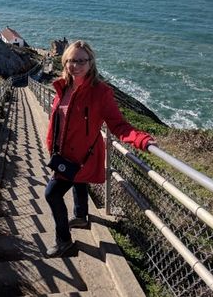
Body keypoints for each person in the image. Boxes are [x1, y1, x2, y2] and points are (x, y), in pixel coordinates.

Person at [44, 40, 157, 258]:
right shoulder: (63, 86)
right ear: (64, 62)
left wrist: (141, 139)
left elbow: (118, 125)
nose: (75, 65)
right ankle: (81, 215)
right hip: (62, 156)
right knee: (75, 184)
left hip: (81, 158)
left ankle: (64, 241)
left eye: (81, 61)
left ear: (91, 62)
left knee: (51, 194)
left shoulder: (101, 92)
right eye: (71, 60)